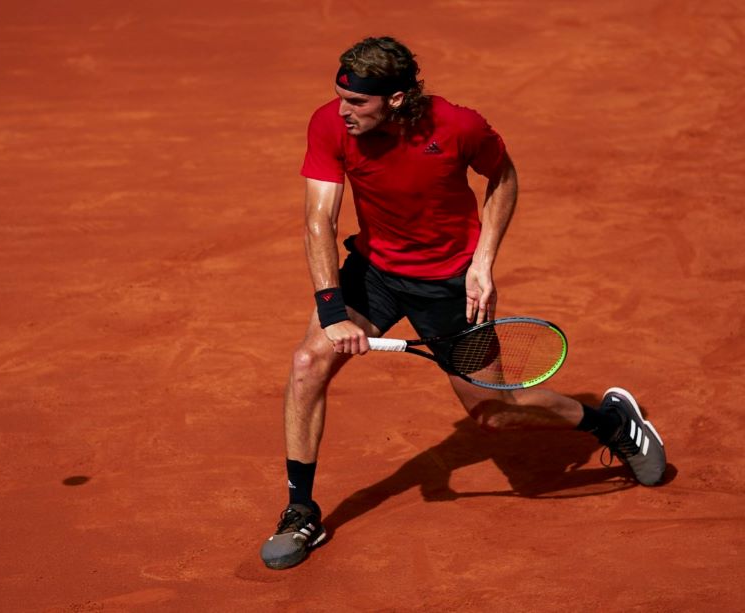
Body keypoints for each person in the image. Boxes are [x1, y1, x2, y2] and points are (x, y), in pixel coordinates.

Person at [260, 36, 667, 571]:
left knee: (496, 414)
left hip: (450, 286)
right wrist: (333, 311)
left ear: (399, 98)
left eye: (357, 102)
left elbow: (503, 176)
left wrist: (483, 261)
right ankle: (300, 510)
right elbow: (319, 220)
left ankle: (610, 423)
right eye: (340, 97)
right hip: (374, 274)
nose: (344, 111)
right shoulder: (331, 125)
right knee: (308, 363)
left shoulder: (459, 127)